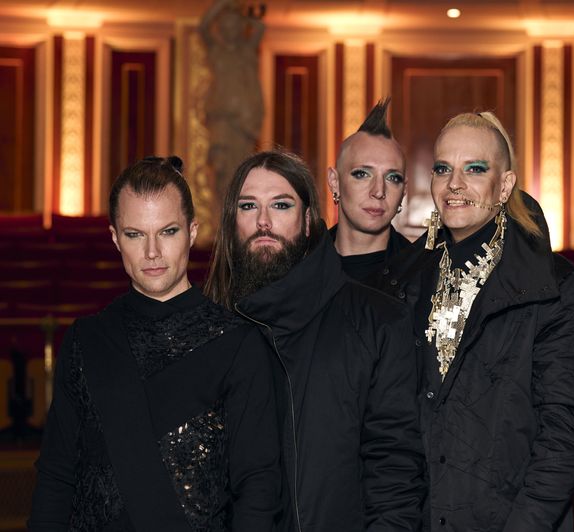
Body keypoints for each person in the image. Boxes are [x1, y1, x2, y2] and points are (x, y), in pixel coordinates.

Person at [29, 156, 285, 531]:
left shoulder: (238, 344)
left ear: (192, 232)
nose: (152, 252)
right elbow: (56, 474)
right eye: (135, 234)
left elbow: (258, 487)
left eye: (167, 232)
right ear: (116, 238)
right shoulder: (86, 339)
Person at [375, 112, 574, 531]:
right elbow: (391, 432)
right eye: (443, 169)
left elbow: (564, 438)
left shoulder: (555, 288)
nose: (454, 184)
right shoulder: (405, 281)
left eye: (474, 169)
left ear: (505, 185)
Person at [204, 149, 425, 532]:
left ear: (308, 221)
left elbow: (395, 477)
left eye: (281, 205)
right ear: (231, 223)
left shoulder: (378, 322)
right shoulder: (210, 333)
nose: (263, 221)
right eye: (248, 206)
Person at [326, 97, 411, 282]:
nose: (379, 191)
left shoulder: (422, 275)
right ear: (334, 181)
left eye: (392, 178)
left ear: (404, 190)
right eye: (362, 174)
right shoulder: (298, 265)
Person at [200, 0, 265, 201]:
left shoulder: (246, 51)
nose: (230, 30)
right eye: (226, 25)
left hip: (241, 121)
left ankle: (236, 212)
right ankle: (220, 211)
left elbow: (260, 28)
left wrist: (246, 15)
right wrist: (223, 3)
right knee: (220, 167)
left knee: (240, 169)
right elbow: (203, 26)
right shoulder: (216, 51)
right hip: (221, 119)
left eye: (234, 25)